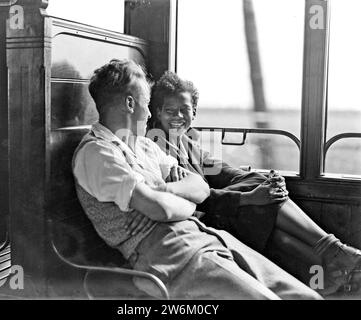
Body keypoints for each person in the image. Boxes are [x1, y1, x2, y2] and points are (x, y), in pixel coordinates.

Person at [72, 59, 322, 300]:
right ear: (130, 103)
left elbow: (199, 188)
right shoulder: (98, 153)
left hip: (203, 235)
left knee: (304, 295)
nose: (149, 113)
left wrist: (164, 191)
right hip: (168, 253)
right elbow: (160, 208)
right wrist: (180, 201)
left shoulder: (145, 146)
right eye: (147, 103)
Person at [145, 70, 361, 296]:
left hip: (218, 209)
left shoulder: (187, 142)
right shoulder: (155, 146)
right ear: (157, 113)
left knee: (262, 192)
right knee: (259, 209)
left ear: (194, 112)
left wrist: (267, 182)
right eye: (170, 111)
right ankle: (332, 254)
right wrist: (248, 197)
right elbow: (194, 199)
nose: (178, 116)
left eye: (184, 110)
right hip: (197, 219)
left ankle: (329, 265)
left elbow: (222, 171)